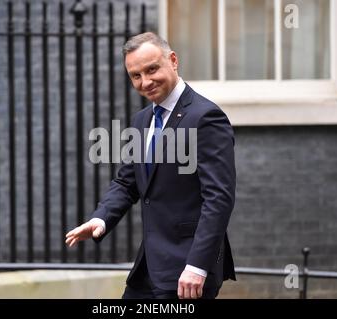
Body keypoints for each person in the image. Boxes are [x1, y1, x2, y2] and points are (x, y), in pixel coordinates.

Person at [65, 32, 236, 299]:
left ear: (173, 60)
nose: (145, 82)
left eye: (152, 69)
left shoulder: (205, 117)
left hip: (188, 270)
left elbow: (219, 198)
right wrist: (101, 218)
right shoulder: (142, 120)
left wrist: (197, 266)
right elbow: (127, 181)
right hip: (149, 267)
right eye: (136, 75)